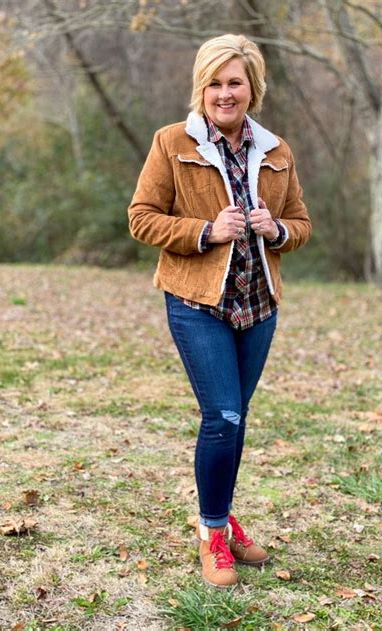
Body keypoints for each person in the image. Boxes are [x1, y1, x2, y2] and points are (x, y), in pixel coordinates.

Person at [128, 33, 311, 588]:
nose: (223, 93)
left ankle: (222, 514)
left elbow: (300, 224)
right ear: (200, 87)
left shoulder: (275, 150)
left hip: (258, 307)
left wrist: (275, 228)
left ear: (252, 89)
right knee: (223, 417)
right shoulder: (171, 143)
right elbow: (141, 218)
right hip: (196, 302)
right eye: (214, 82)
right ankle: (212, 532)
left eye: (234, 82)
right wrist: (208, 230)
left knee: (236, 422)